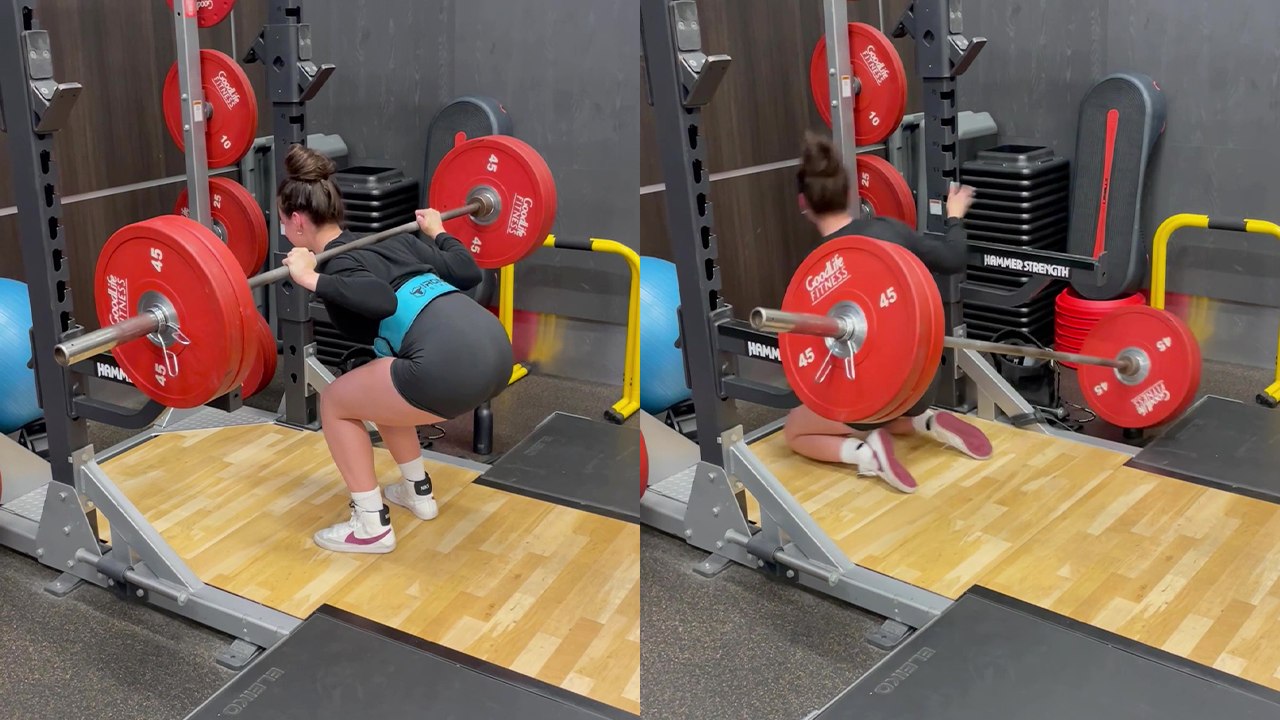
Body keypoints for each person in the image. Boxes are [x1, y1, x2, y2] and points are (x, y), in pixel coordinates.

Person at [278, 145, 513, 554]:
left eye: (282, 223)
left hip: (448, 368)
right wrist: (438, 232)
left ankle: (370, 525)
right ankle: (418, 493)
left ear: (298, 222)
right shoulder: (392, 242)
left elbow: (379, 301)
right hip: (496, 352)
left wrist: (310, 278)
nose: (282, 232)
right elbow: (466, 270)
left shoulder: (337, 264)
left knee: (335, 401)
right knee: (381, 383)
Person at [783, 132, 992, 493]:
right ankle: (927, 421)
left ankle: (866, 454)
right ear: (851, 194)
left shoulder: (816, 270)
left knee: (794, 429)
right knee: (886, 402)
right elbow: (954, 259)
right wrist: (954, 217)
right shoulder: (888, 228)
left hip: (877, 398)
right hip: (923, 385)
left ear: (804, 202)